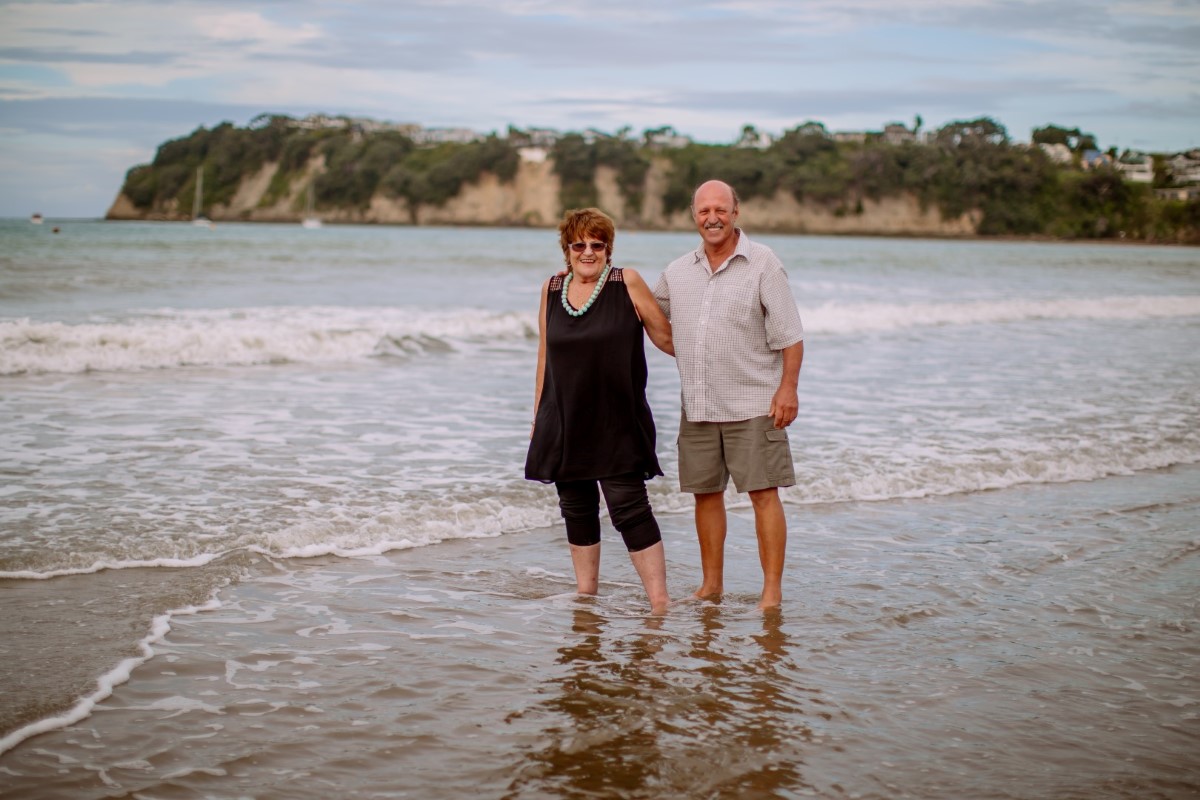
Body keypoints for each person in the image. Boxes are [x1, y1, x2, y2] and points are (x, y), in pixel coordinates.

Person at [652, 180, 805, 610]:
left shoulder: (763, 263)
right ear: (693, 215)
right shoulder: (679, 270)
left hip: (754, 402)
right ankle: (711, 585)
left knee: (763, 494)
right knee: (705, 494)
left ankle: (771, 591)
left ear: (736, 212)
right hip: (698, 404)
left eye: (720, 209)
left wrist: (788, 389)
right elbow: (648, 310)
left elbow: (791, 336)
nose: (712, 218)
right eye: (704, 211)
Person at [525, 207, 674, 614]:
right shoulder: (552, 288)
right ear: (567, 249)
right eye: (579, 244)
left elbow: (666, 338)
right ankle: (586, 594)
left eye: (597, 244)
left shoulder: (627, 282)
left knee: (628, 506)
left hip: (617, 417)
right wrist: (540, 413)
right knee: (575, 505)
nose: (587, 251)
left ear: (608, 248)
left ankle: (660, 603)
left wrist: (723, 354)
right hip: (565, 415)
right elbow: (545, 353)